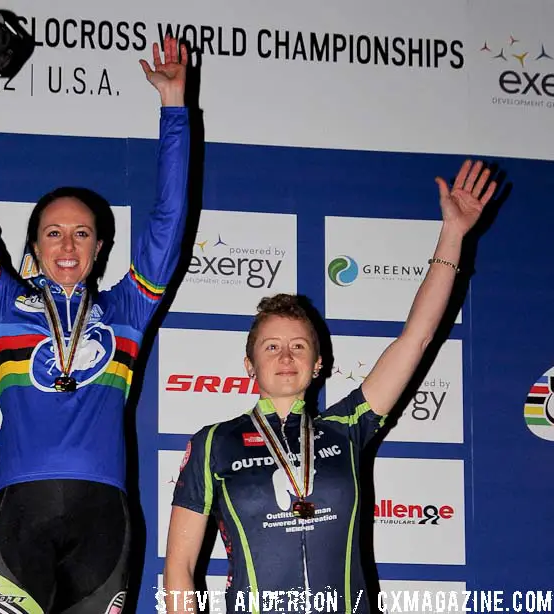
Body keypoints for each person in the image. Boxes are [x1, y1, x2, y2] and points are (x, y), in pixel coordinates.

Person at [163, 160, 498, 614]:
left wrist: (453, 235)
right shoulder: (212, 444)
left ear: (318, 363)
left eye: (299, 346)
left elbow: (415, 339)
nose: (286, 357)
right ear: (249, 364)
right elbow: (179, 567)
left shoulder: (346, 428)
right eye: (272, 347)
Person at [0, 35, 190, 614]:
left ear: (100, 247)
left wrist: (173, 107)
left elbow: (169, 221)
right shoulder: (2, 304)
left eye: (82, 233)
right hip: (20, 513)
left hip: (103, 519)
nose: (68, 245)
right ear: (34, 246)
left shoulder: (127, 308)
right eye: (53, 232)